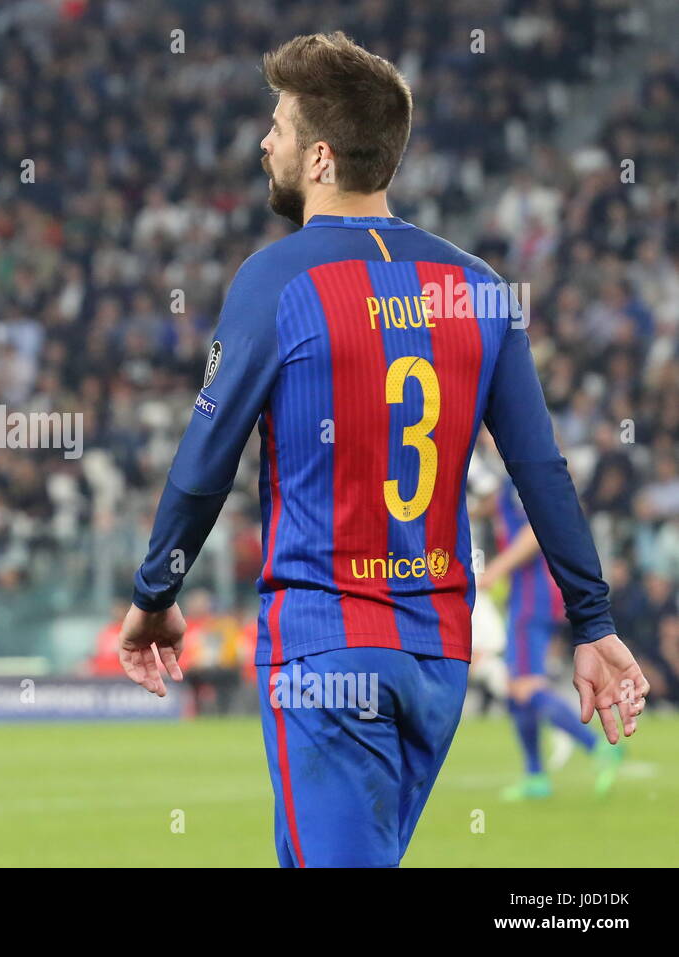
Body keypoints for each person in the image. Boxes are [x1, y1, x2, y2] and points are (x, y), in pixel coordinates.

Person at [119, 32, 649, 868]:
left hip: (327, 643)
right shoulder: (477, 287)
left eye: (280, 128)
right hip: (436, 654)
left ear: (319, 158)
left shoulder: (277, 281)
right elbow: (539, 464)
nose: (266, 142)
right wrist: (592, 618)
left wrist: (154, 593)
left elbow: (202, 465)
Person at [478, 478, 622, 799]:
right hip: (527, 595)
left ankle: (597, 748)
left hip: (532, 596)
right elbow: (488, 508)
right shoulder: (502, 479)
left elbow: (535, 532)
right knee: (517, 689)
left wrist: (496, 569)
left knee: (524, 686)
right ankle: (535, 776)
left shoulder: (518, 476)